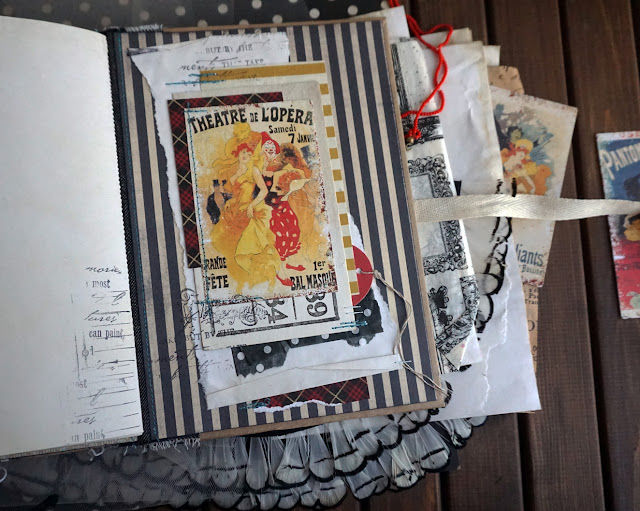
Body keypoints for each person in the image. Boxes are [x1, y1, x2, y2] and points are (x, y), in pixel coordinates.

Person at [210, 137, 280, 293]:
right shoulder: (234, 171)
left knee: (252, 246)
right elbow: (231, 192)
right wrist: (229, 199)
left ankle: (267, 279)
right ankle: (242, 282)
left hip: (251, 209)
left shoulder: (253, 170)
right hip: (236, 211)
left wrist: (251, 205)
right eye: (243, 152)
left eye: (248, 154)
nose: (245, 156)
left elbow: (264, 191)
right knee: (229, 244)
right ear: (237, 153)